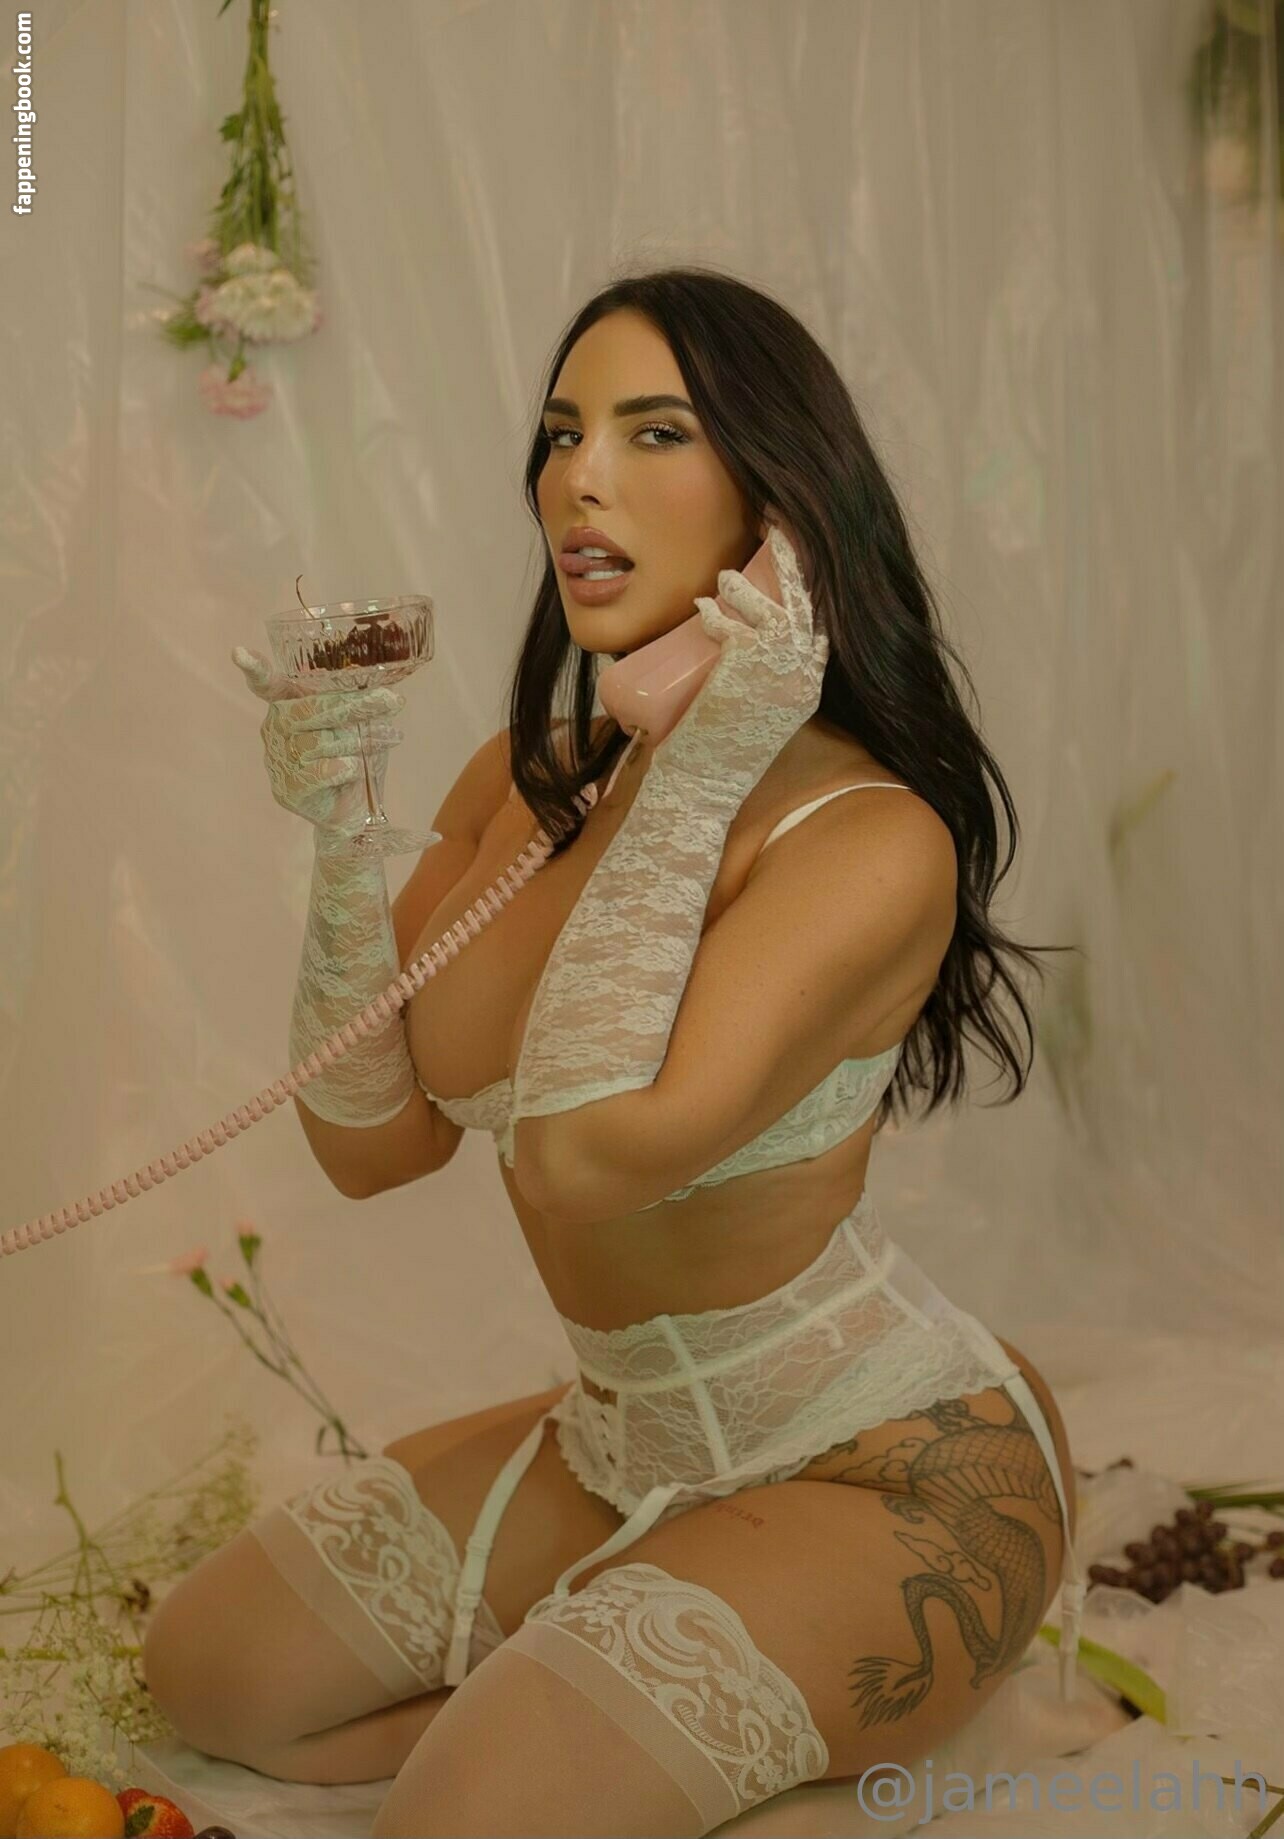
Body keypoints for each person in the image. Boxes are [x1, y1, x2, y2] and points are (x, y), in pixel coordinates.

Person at [142, 269, 1085, 1839]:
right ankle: (622, 1700)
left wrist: (705, 765)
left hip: (886, 1471)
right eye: (563, 431)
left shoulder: (867, 840)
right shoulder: (529, 786)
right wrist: (339, 843)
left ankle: (703, 1711)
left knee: (459, 1825)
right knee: (214, 1675)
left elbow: (581, 1157)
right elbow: (373, 1152)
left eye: (654, 433)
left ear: (782, 511)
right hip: (619, 1441)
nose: (580, 477)